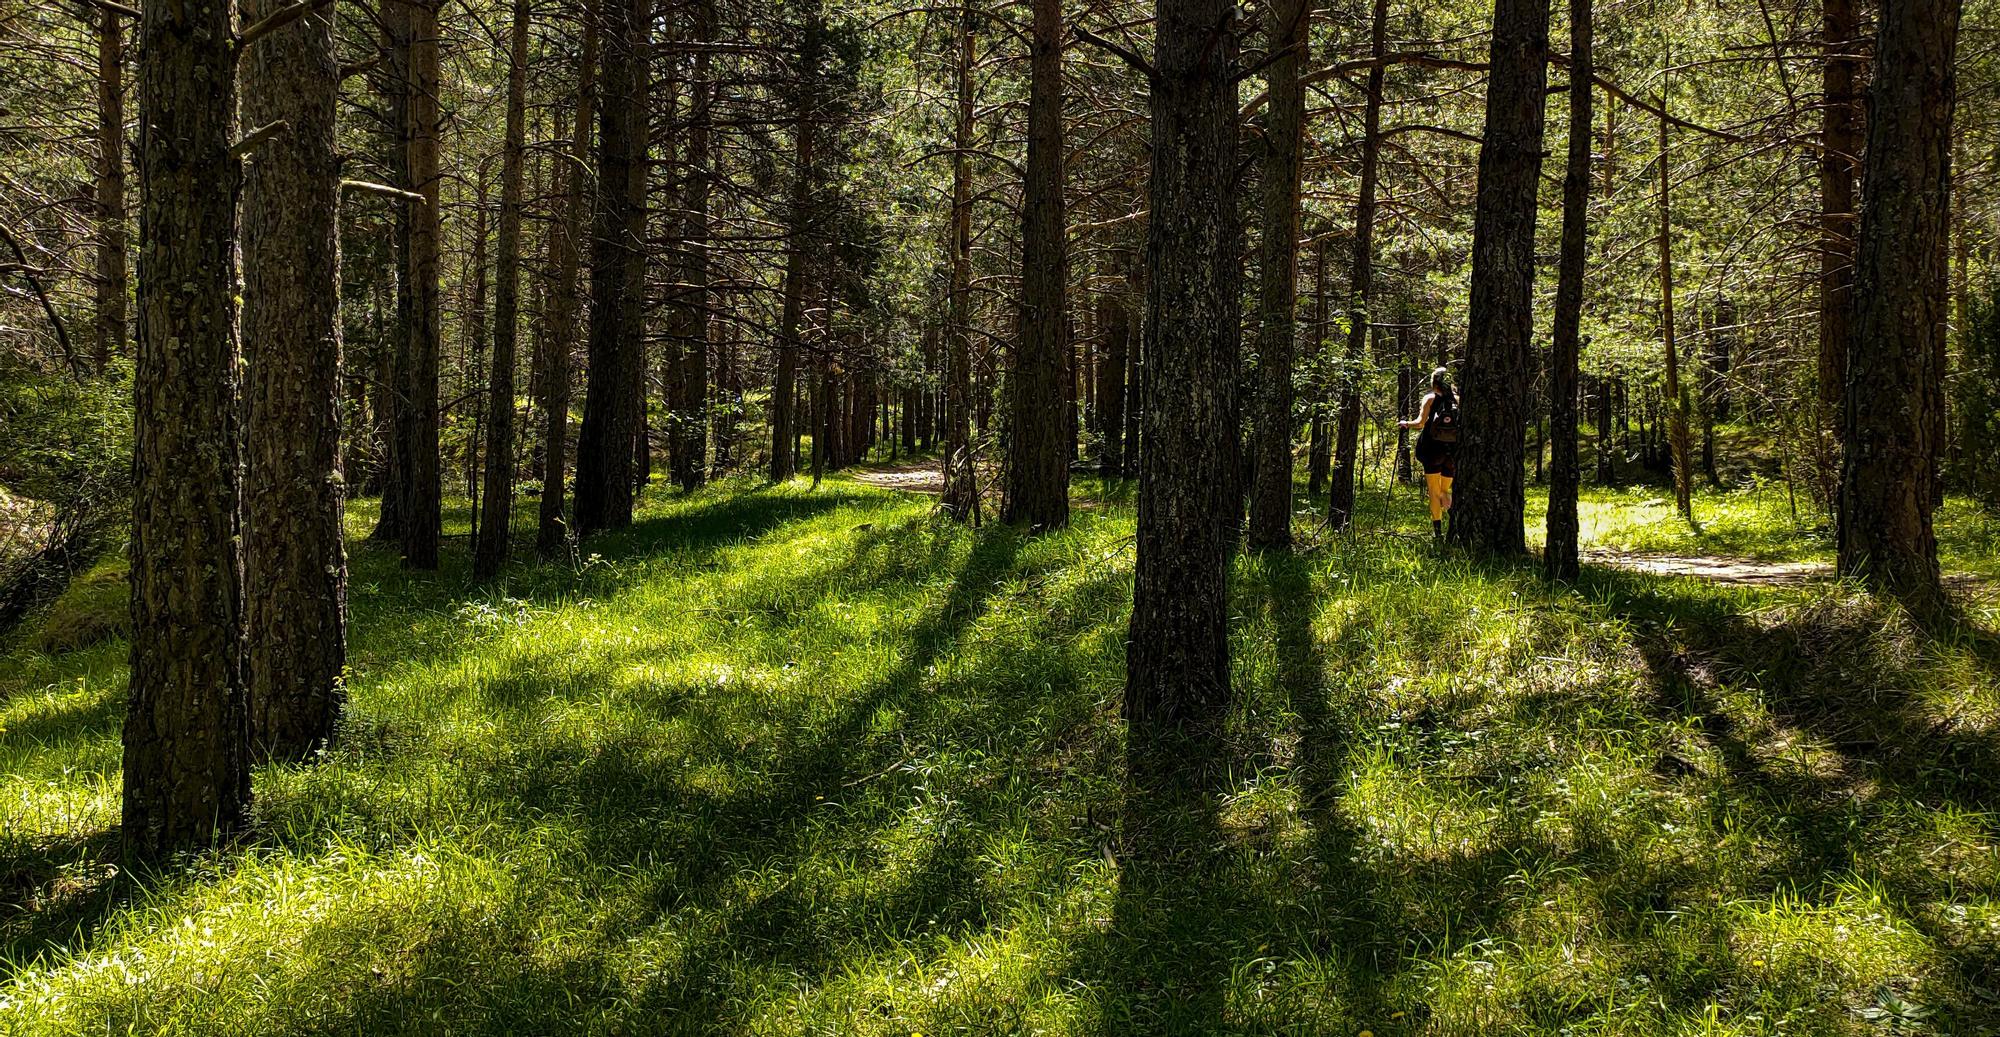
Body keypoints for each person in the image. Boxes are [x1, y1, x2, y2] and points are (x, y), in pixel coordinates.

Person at [1399, 367, 1460, 540]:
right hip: (1452, 452)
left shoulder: (1430, 399)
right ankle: (1453, 520)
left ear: (1434, 382)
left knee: (1434, 491)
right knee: (1445, 489)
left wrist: (1405, 424)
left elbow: (1419, 423)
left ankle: (1438, 532)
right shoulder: (1457, 400)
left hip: (1432, 450)